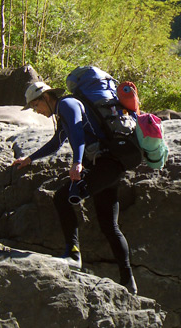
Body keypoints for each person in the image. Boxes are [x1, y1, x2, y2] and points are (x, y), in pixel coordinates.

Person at [12, 81, 138, 295]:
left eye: (36, 106)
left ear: (45, 98)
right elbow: (56, 142)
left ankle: (73, 254)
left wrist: (77, 162)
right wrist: (30, 159)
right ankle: (129, 283)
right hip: (108, 166)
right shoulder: (65, 110)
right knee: (109, 226)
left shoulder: (68, 105)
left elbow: (78, 133)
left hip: (105, 165)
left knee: (62, 198)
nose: (37, 111)